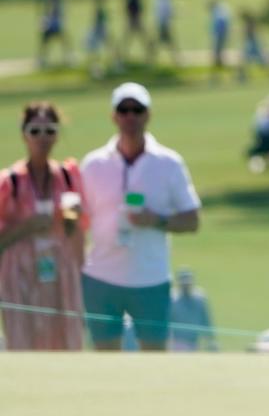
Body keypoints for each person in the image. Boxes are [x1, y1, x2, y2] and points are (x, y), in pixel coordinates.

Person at [80, 82, 202, 351]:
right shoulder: (93, 164)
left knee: (154, 358)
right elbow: (81, 219)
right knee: (105, 359)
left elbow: (192, 220)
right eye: (124, 110)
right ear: (114, 116)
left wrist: (156, 220)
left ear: (148, 114)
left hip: (150, 278)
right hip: (100, 277)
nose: (130, 116)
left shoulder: (169, 163)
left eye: (137, 109)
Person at [0, 102, 86, 350]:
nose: (43, 138)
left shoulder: (68, 176)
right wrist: (27, 227)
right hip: (20, 278)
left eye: (49, 130)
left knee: (65, 342)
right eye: (35, 131)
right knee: (24, 343)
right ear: (24, 135)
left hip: (61, 274)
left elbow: (79, 230)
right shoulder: (11, 182)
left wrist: (71, 222)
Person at [169, 267, 217, 352]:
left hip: (194, 343)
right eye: (184, 284)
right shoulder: (172, 299)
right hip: (176, 343)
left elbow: (205, 319)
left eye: (188, 283)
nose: (186, 286)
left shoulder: (200, 298)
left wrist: (211, 340)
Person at [153, 0, 179, 65]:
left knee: (162, 41)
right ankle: (176, 59)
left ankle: (152, 58)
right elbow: (167, 11)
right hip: (164, 23)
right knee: (169, 41)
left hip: (162, 22)